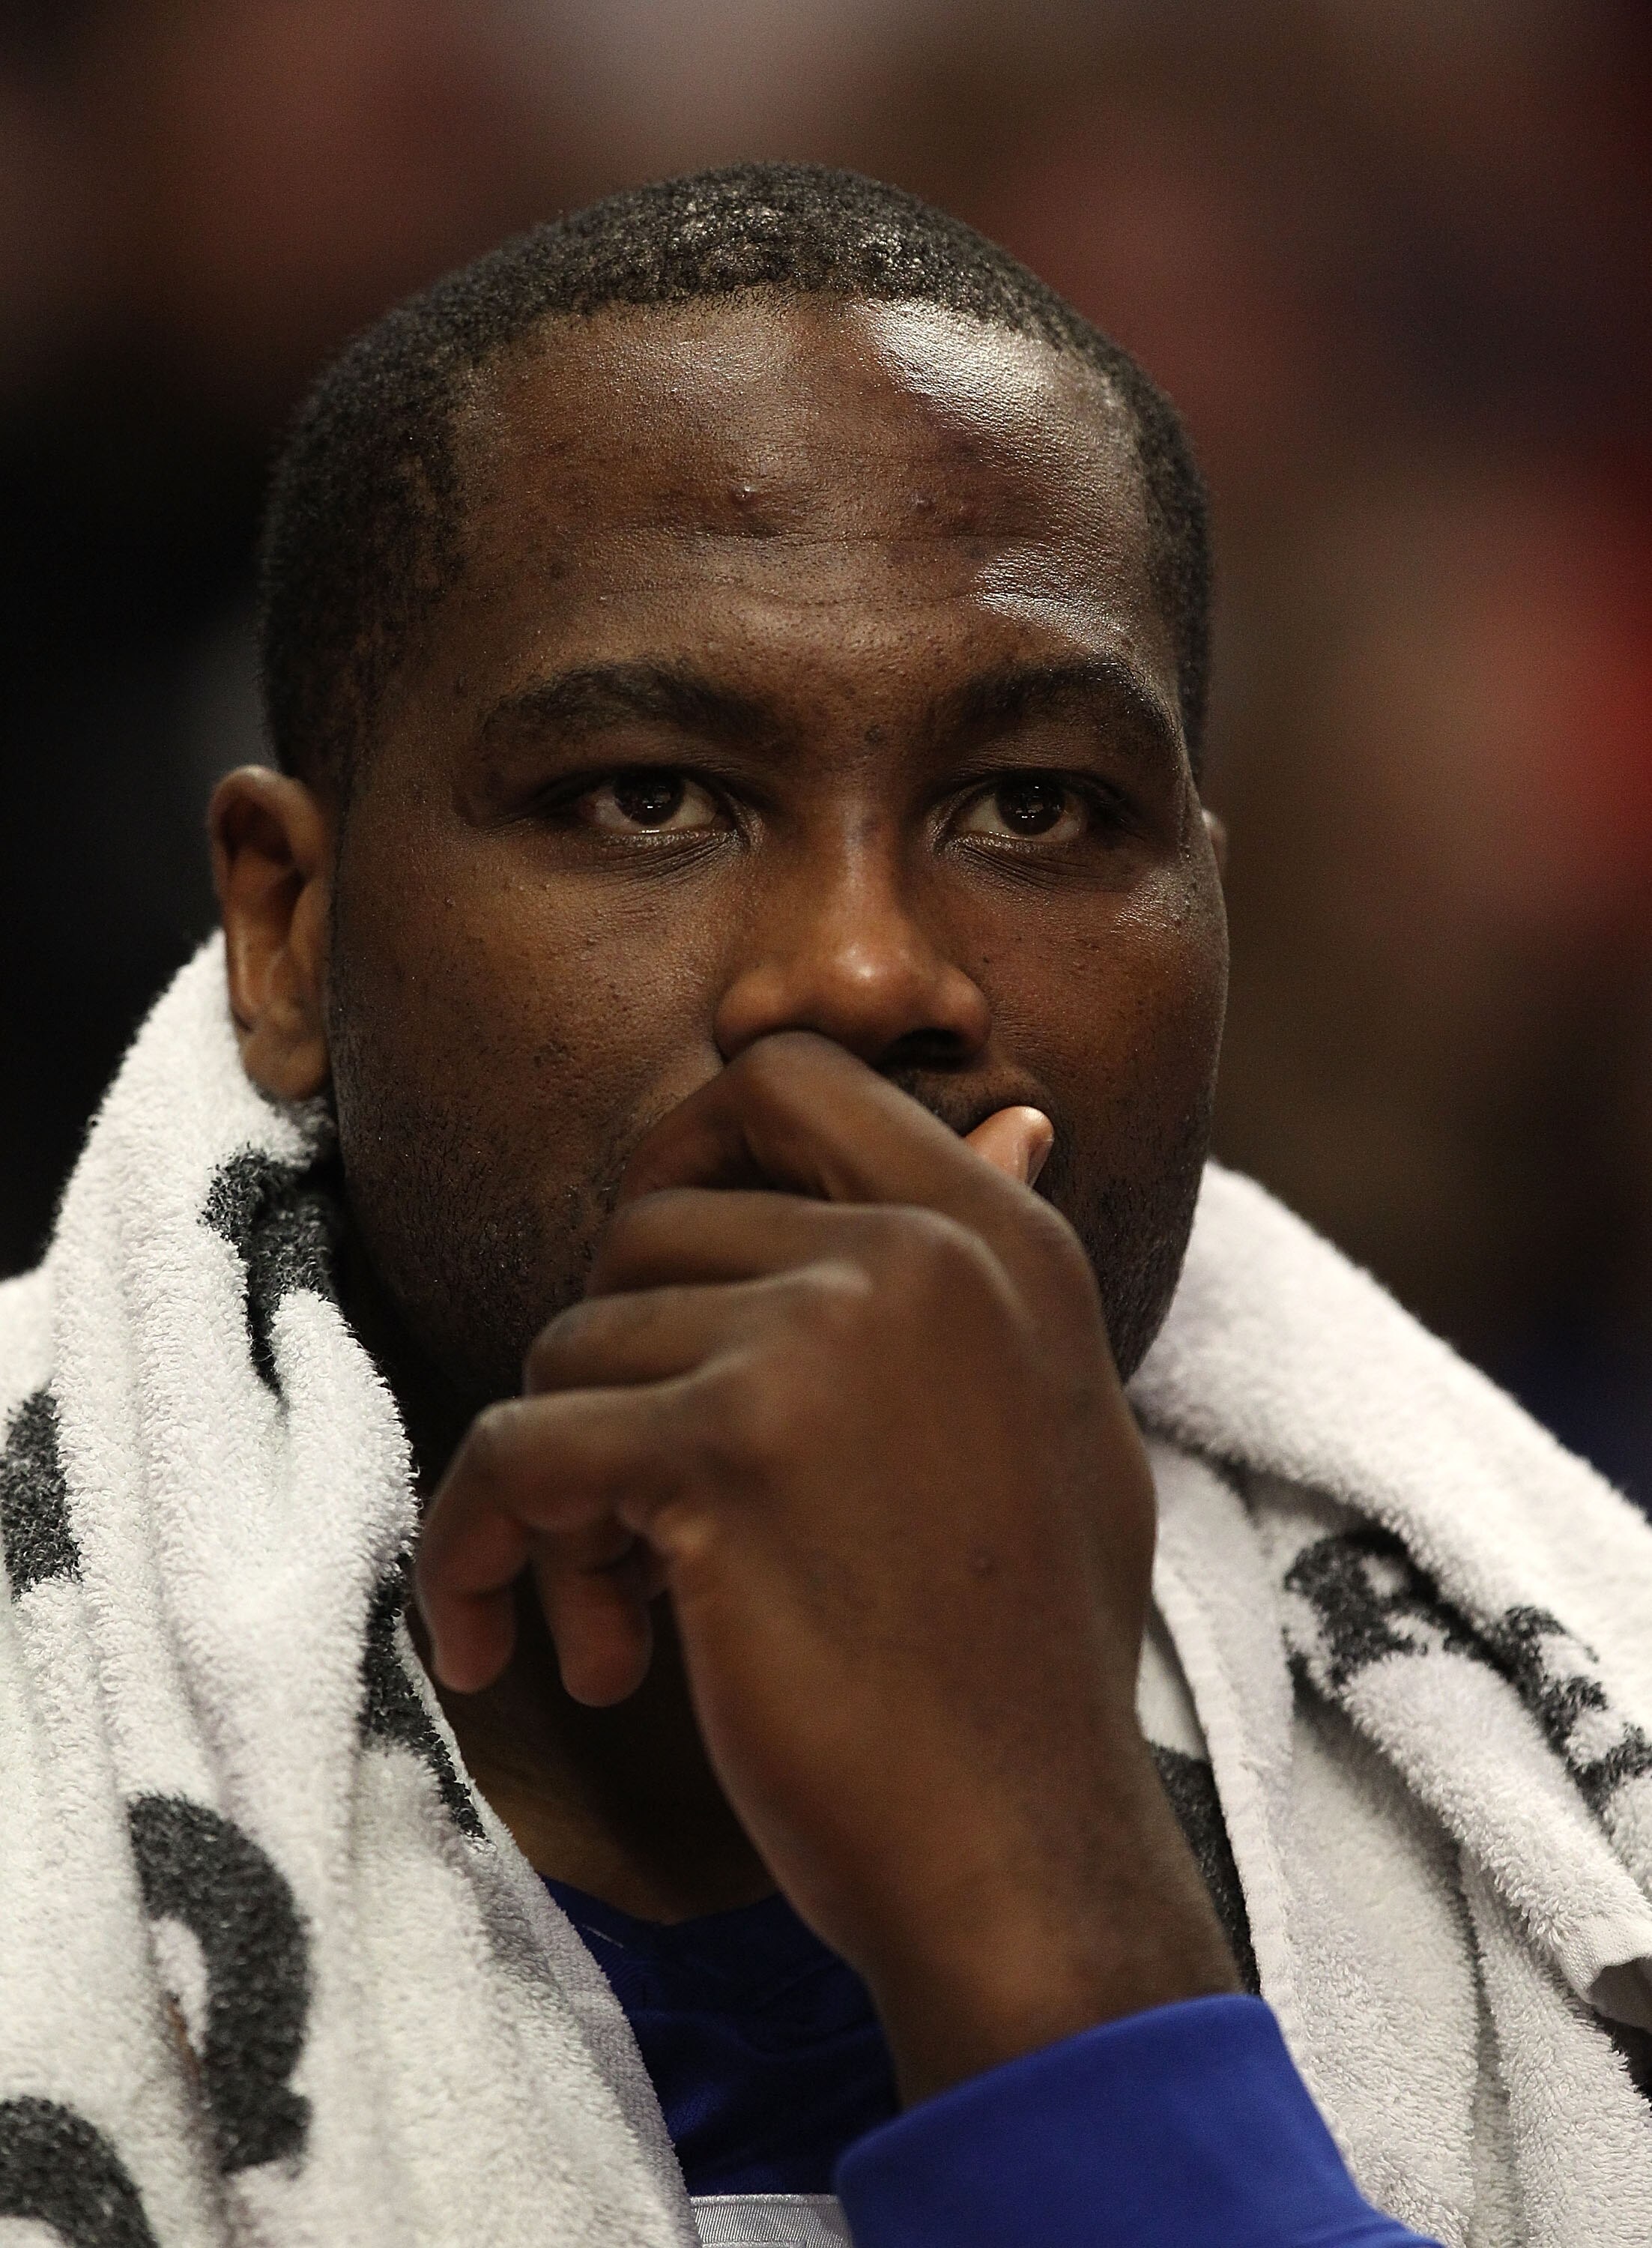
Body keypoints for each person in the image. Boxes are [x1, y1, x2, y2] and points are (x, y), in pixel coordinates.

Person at [1, 166, 1648, 2248]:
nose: (865, 974)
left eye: (1032, 806)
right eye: (647, 797)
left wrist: (1045, 1913)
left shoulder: (1573, 1734)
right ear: (291, 932)